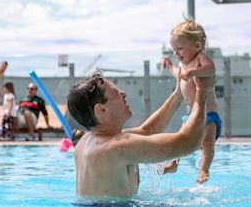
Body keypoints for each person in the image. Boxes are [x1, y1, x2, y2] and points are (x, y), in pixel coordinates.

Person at [67, 71, 212, 198]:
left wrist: (178, 94)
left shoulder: (89, 141)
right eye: (116, 92)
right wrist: (202, 92)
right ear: (101, 109)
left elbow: (147, 130)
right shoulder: (115, 147)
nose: (123, 93)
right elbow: (190, 142)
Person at [162, 19, 221, 184]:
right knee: (180, 140)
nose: (176, 53)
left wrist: (195, 71)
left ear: (197, 46)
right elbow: (178, 74)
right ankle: (173, 164)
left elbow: (211, 68)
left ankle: (204, 169)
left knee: (207, 142)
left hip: (208, 114)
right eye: (174, 49)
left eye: (180, 48)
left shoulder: (200, 58)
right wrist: (169, 67)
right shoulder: (182, 64)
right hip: (191, 115)